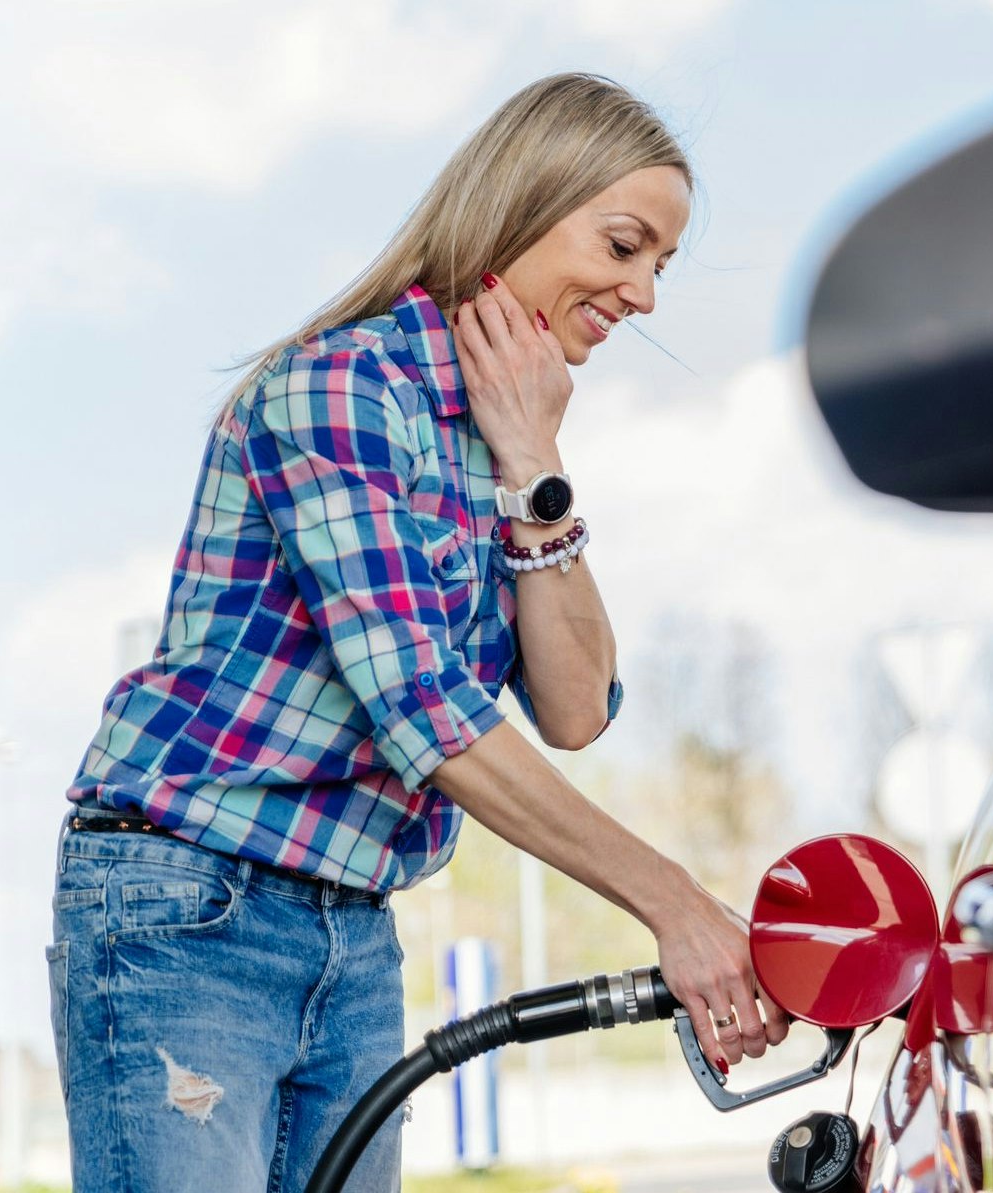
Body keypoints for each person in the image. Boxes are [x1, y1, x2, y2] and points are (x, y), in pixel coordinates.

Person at [47, 74, 784, 1192]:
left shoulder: (506, 433)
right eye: (625, 245)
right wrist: (675, 901)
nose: (642, 294)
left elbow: (579, 707)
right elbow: (425, 713)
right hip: (190, 907)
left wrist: (537, 470)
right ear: (525, 203)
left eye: (661, 266)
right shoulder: (343, 388)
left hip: (351, 926)